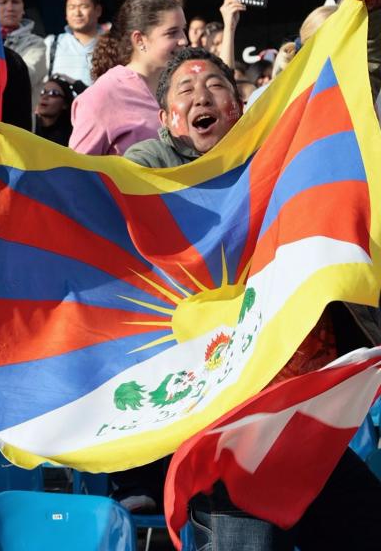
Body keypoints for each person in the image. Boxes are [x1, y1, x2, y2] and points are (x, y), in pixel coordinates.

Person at [125, 44, 381, 549]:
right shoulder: (150, 169)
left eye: (217, 85)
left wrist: (368, 27)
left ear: (239, 105)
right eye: (187, 90)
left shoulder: (283, 147)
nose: (203, 95)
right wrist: (18, 170)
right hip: (229, 432)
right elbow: (104, 196)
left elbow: (345, 88)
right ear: (168, 119)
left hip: (301, 418)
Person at [68, 0, 187, 156]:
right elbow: (78, 172)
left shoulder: (182, 84)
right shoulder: (102, 96)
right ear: (139, 39)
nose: (184, 40)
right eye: (172, 33)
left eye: (183, 29)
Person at [0, 0, 47, 112]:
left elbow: (26, 77)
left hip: (20, 123)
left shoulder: (36, 44)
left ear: (23, 8)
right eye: (3, 2)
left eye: (15, 2)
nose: (10, 8)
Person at [44, 0, 104, 88]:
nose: (77, 13)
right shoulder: (52, 44)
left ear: (98, 10)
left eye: (84, 7)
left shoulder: (113, 45)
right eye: (72, 7)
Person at [34, 76, 74, 146]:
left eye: (53, 93)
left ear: (65, 104)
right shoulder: (28, 125)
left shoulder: (71, 136)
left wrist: (76, 83)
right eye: (42, 92)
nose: (45, 97)